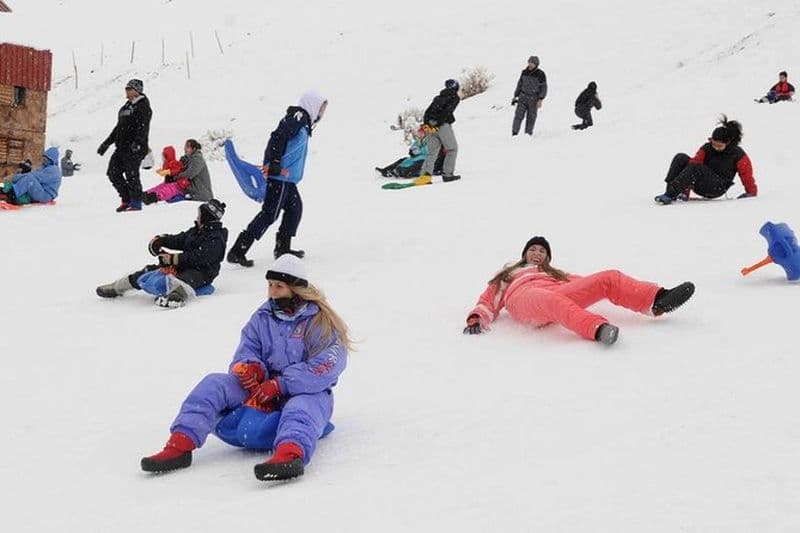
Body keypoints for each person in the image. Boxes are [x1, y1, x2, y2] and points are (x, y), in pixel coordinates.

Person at [140, 255, 351, 481]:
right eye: (270, 286)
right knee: (213, 384)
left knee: (302, 406)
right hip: (260, 389)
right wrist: (250, 368)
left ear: (296, 289)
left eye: (279, 286)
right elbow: (247, 349)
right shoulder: (262, 317)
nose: (272, 292)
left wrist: (281, 384)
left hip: (304, 390)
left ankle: (290, 454)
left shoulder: (319, 322)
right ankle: (179, 445)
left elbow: (327, 366)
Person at [464, 236, 695, 345]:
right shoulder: (509, 274)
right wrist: (477, 318)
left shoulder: (555, 274)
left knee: (609, 277)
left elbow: (586, 283)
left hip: (553, 294)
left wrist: (602, 285)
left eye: (543, 252)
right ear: (525, 253)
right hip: (524, 299)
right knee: (550, 299)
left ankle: (657, 300)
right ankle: (596, 329)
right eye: (533, 249)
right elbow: (489, 299)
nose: (537, 253)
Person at [227, 90, 328, 267]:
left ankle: (282, 248)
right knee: (270, 214)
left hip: (287, 179)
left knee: (295, 209)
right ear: (312, 104)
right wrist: (273, 162)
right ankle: (238, 250)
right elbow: (278, 136)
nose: (322, 113)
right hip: (280, 176)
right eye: (321, 108)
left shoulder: (304, 122)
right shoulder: (297, 117)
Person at [96, 199, 228, 308]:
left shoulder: (216, 239)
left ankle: (176, 296)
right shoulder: (197, 230)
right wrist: (162, 241)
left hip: (203, 272)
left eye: (200, 215)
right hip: (184, 265)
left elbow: (199, 257)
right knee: (149, 270)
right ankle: (117, 287)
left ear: (206, 217)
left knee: (186, 278)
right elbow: (180, 240)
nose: (197, 218)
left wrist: (173, 259)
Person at [654, 115, 757, 205]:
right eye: (714, 144)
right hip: (700, 183)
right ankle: (673, 192)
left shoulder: (738, 154)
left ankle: (670, 194)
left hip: (717, 187)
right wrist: (685, 185)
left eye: (720, 146)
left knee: (697, 167)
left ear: (728, 142)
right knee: (681, 157)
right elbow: (693, 163)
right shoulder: (707, 148)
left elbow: (746, 175)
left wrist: (751, 192)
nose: (716, 147)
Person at [97, 79, 153, 212]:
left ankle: (136, 202)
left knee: (132, 175)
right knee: (113, 173)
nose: (126, 91)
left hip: (134, 148)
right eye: (126, 88)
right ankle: (126, 199)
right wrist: (107, 143)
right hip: (121, 147)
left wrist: (138, 143)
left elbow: (143, 128)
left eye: (129, 89)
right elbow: (118, 128)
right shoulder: (126, 107)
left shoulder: (143, 106)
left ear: (137, 90)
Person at [417, 79, 460, 182]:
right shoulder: (454, 97)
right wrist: (437, 125)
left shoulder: (438, 97)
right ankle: (447, 175)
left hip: (430, 125)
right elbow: (447, 112)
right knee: (452, 149)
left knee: (432, 152)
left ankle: (424, 177)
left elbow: (427, 112)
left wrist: (427, 125)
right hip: (442, 125)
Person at [375, 126, 445, 178]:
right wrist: (412, 151)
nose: (419, 135)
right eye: (419, 133)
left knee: (418, 164)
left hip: (425, 158)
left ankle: (402, 172)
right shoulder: (419, 141)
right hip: (417, 157)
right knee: (403, 160)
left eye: (421, 133)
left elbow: (427, 151)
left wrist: (418, 151)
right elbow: (413, 147)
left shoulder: (430, 140)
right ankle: (386, 170)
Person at [512, 56, 547, 136]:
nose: (530, 64)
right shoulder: (524, 72)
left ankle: (528, 135)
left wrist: (540, 99)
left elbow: (544, 87)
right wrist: (515, 96)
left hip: (534, 99)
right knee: (518, 116)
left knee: (531, 118)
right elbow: (519, 84)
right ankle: (514, 133)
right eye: (529, 62)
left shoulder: (540, 74)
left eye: (532, 63)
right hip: (522, 97)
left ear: (536, 64)